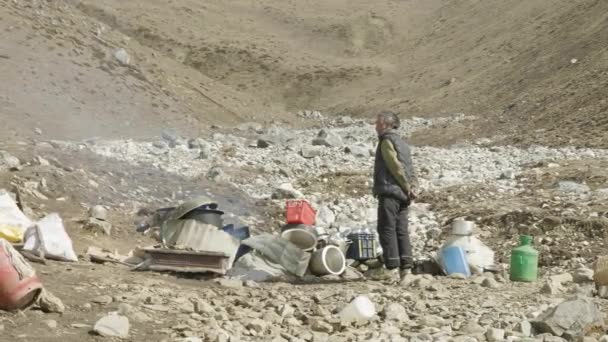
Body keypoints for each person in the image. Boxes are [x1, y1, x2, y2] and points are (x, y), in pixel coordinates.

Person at [372, 111, 418, 281]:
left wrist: (405, 186)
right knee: (401, 230)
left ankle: (392, 268)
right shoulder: (403, 144)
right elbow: (409, 168)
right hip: (404, 195)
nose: (375, 126)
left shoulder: (386, 141)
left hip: (390, 191)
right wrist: (412, 188)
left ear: (385, 124)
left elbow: (395, 166)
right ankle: (407, 268)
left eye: (377, 123)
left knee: (386, 228)